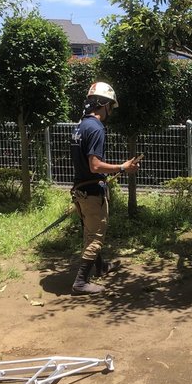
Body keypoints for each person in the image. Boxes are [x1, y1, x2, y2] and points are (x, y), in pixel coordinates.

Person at [69, 82, 139, 295]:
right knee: (95, 237)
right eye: (111, 107)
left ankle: (100, 267)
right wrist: (122, 167)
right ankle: (80, 282)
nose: (111, 112)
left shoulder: (80, 126)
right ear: (104, 105)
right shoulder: (97, 128)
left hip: (80, 190)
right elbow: (95, 165)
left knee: (90, 231)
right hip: (91, 194)